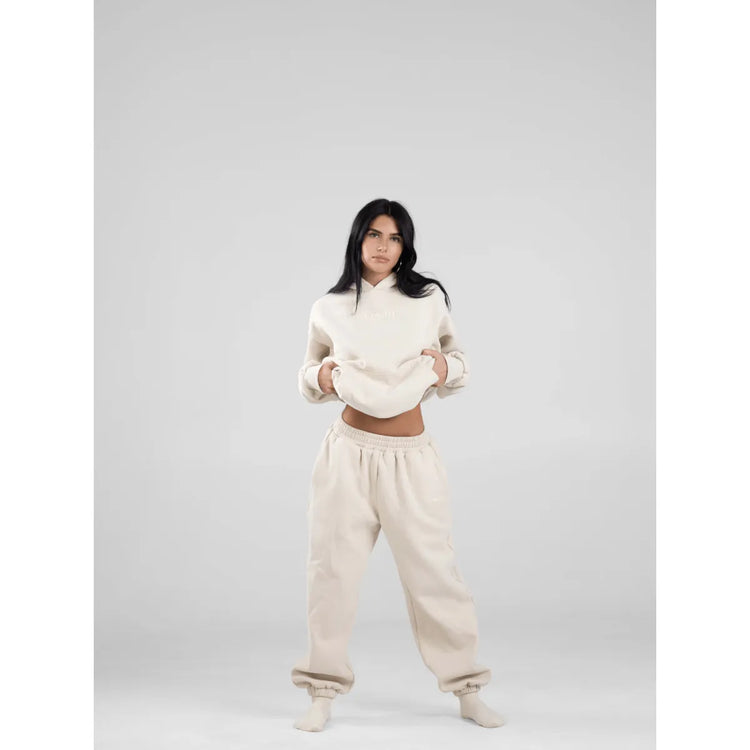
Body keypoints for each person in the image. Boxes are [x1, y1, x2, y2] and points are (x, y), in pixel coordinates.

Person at [291, 198, 505, 731]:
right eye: (374, 234)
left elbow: (459, 361)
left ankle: (467, 688)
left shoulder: (426, 300)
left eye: (394, 237)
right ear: (357, 239)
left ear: (405, 246)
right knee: (331, 573)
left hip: (411, 459)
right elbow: (309, 371)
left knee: (436, 574)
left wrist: (445, 368)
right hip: (347, 455)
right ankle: (321, 692)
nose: (383, 246)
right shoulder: (329, 306)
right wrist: (320, 377)